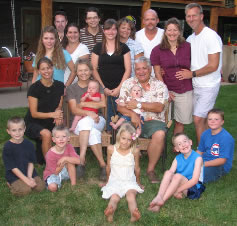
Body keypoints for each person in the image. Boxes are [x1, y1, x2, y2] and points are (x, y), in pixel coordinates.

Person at [176, 3, 223, 145]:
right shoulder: (190, 39)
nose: (191, 19)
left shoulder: (211, 36)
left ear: (201, 16)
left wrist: (192, 74)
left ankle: (202, 154)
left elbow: (213, 65)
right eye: (188, 16)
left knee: (198, 119)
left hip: (209, 85)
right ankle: (213, 145)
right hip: (195, 85)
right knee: (204, 119)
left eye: (194, 15)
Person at [117, 56, 169, 183]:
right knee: (125, 132)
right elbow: (120, 106)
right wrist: (133, 114)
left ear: (150, 69)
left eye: (144, 68)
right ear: (134, 70)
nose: (141, 72)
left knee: (160, 134)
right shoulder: (128, 84)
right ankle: (125, 168)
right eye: (138, 69)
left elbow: (159, 107)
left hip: (153, 120)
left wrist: (138, 105)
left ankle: (150, 170)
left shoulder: (159, 85)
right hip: (132, 120)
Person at [66, 58, 107, 181]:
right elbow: (74, 110)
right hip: (79, 123)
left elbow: (103, 104)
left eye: (86, 70)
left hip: (98, 120)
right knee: (90, 129)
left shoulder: (97, 85)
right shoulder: (71, 89)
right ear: (76, 72)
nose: (83, 73)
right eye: (80, 70)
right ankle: (103, 165)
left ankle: (81, 160)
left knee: (86, 122)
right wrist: (89, 112)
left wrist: (83, 105)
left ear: (90, 71)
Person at [151, 17, 192, 136]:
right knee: (162, 120)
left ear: (179, 31)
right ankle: (161, 145)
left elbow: (196, 64)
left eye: (175, 30)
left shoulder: (188, 47)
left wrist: (190, 74)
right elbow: (158, 72)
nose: (172, 33)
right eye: (169, 30)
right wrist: (165, 91)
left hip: (185, 88)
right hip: (166, 88)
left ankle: (177, 145)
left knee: (180, 121)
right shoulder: (157, 50)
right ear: (165, 31)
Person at [91, 18, 131, 132]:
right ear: (103, 31)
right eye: (108, 29)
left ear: (117, 31)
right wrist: (104, 88)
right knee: (107, 118)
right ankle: (108, 136)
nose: (111, 32)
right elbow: (93, 69)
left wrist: (119, 88)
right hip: (103, 88)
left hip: (121, 89)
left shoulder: (124, 47)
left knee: (121, 118)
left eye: (113, 29)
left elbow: (128, 69)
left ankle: (119, 138)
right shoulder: (98, 48)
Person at [148, 133, 204, 213]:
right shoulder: (177, 158)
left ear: (190, 142)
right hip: (182, 182)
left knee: (177, 176)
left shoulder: (197, 158)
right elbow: (170, 173)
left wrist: (178, 190)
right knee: (168, 172)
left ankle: (160, 203)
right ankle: (159, 196)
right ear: (177, 149)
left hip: (194, 189)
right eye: (179, 144)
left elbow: (194, 181)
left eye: (185, 141)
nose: (183, 145)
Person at [25, 57, 64, 164]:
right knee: (46, 134)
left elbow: (59, 105)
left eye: (48, 68)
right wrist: (53, 115)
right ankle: (50, 166)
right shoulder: (34, 88)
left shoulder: (60, 85)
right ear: (38, 71)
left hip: (50, 121)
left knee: (60, 131)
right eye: (43, 69)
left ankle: (49, 157)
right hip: (34, 122)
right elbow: (34, 113)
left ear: (52, 68)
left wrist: (58, 115)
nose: (46, 71)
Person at [101, 123, 144, 222]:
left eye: (129, 140)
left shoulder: (134, 151)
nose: (125, 142)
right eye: (123, 138)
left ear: (132, 140)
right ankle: (110, 212)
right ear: (119, 137)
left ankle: (134, 214)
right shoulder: (111, 149)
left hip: (129, 180)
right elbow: (108, 167)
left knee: (131, 196)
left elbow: (137, 168)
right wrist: (107, 181)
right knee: (114, 197)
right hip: (115, 180)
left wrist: (138, 182)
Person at [2, 117, 45, 196]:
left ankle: (27, 181)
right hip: (14, 174)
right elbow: (13, 168)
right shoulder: (7, 147)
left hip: (28, 171)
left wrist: (29, 177)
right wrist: (26, 181)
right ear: (8, 131)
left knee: (40, 187)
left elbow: (31, 162)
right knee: (26, 190)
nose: (17, 133)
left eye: (20, 129)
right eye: (14, 130)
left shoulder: (29, 144)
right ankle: (10, 183)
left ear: (24, 129)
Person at [197, 109, 235, 184]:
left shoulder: (226, 138)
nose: (212, 121)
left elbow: (222, 160)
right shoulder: (205, 133)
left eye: (216, 119)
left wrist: (202, 164)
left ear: (222, 122)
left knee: (199, 174)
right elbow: (200, 150)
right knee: (186, 165)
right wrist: (193, 159)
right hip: (205, 160)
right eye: (210, 119)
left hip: (220, 166)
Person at [43, 125, 81, 192]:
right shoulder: (50, 154)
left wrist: (65, 158)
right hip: (53, 174)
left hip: (65, 171)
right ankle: (52, 184)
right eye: (58, 137)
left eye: (64, 136)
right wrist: (63, 163)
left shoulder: (69, 147)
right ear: (53, 139)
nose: (61, 139)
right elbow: (55, 172)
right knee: (53, 188)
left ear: (68, 138)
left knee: (70, 162)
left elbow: (79, 161)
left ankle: (73, 185)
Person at [135, 9, 164, 76]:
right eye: (147, 19)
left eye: (153, 19)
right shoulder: (137, 36)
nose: (150, 22)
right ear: (143, 21)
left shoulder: (164, 34)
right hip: (142, 76)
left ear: (157, 20)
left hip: (162, 75)